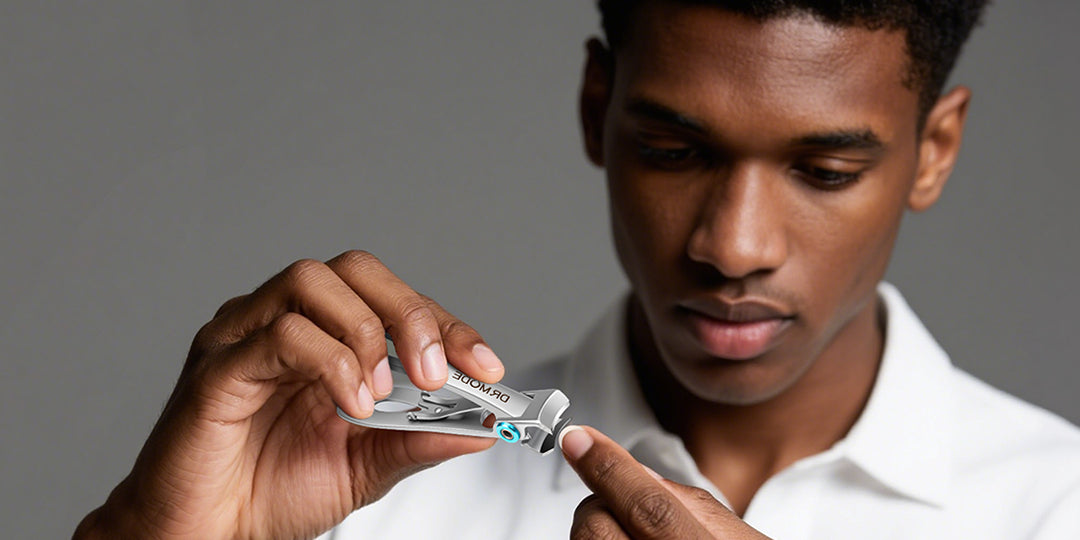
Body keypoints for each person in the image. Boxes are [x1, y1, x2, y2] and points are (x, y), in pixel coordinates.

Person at [75, 1, 1080, 538]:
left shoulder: (1059, 508)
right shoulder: (364, 504)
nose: (733, 247)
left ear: (935, 149)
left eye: (824, 169)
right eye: (676, 150)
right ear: (597, 107)